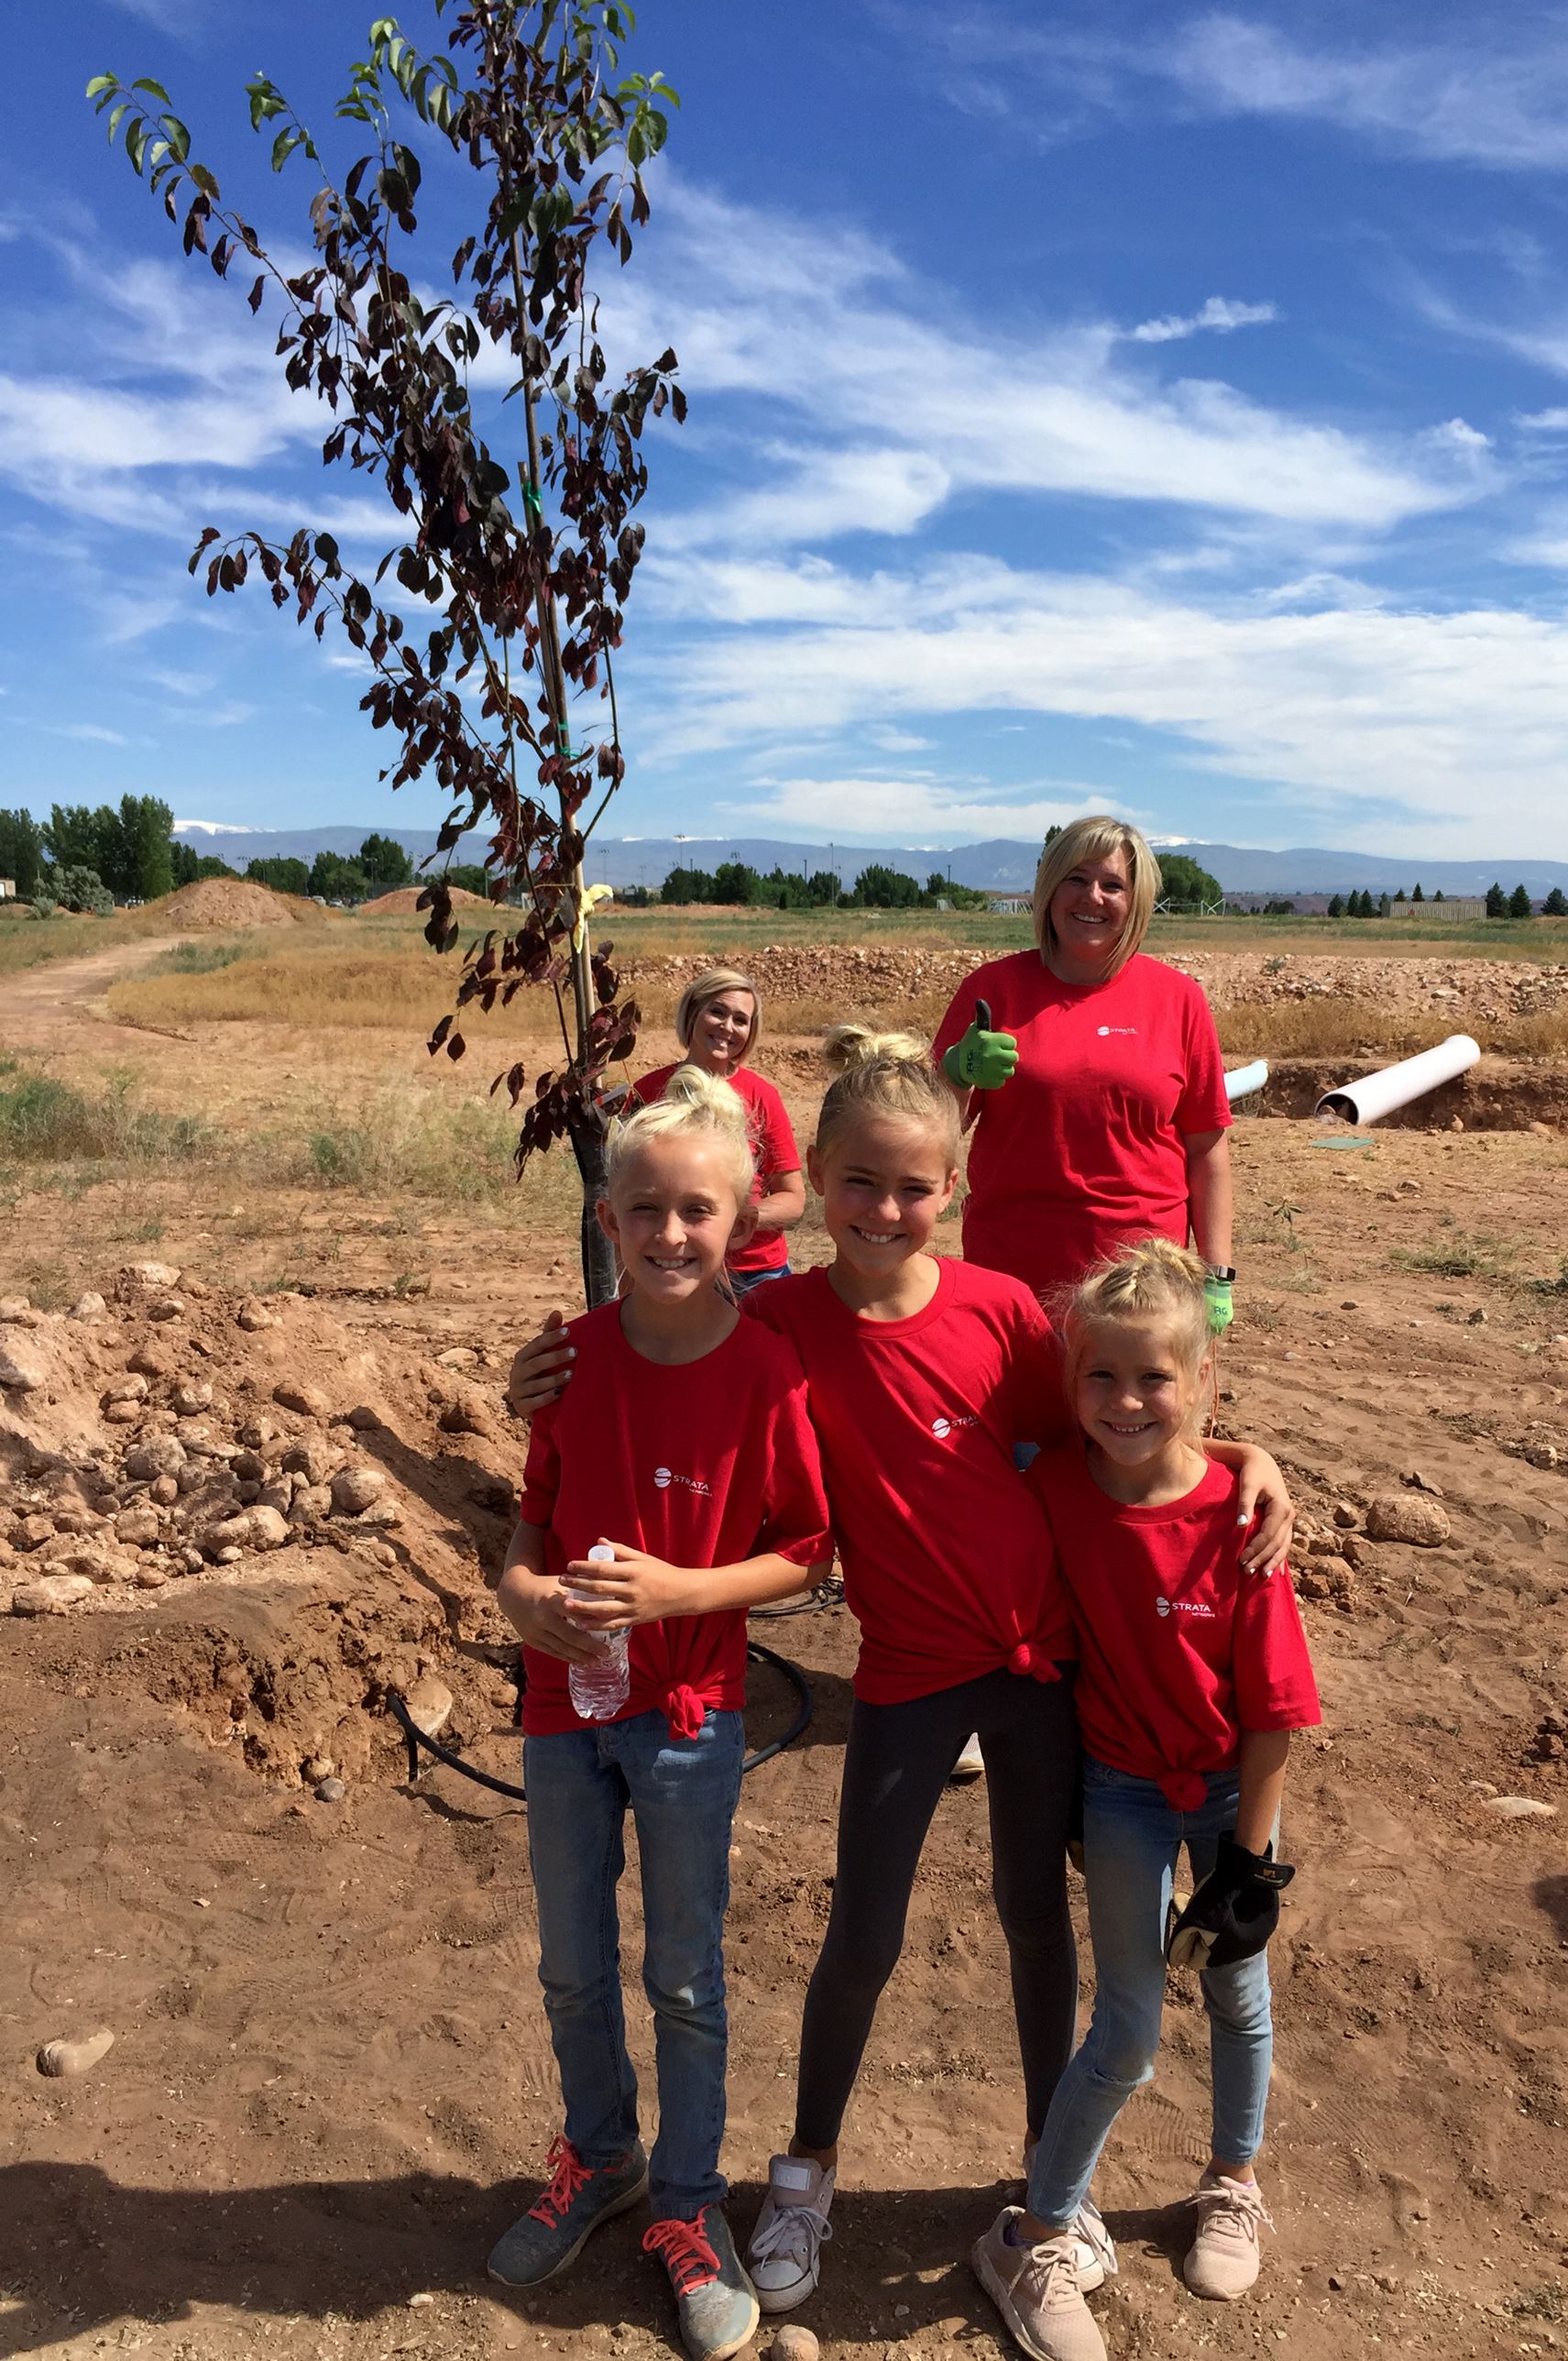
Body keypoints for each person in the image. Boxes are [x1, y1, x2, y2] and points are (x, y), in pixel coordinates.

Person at [506, 1032, 1296, 2320]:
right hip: (904, 1676)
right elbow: (666, 1338)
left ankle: (1056, 2186)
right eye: (858, 1183)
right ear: (812, 1180)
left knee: (1033, 1922)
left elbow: (1120, 1418)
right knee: (859, 1931)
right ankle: (807, 2168)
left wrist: (1246, 1452)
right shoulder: (777, 1323)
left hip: (1036, 1675)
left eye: (912, 1187)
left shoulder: (995, 1313)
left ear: (956, 1189)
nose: (883, 1210)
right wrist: (532, 1375)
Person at [487, 1066, 830, 2361]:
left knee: (683, 1974)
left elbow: (806, 1550)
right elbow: (533, 1515)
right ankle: (600, 2158)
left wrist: (686, 1589)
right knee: (570, 1960)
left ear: (743, 1219)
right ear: (607, 1218)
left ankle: (690, 2207)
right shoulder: (567, 1363)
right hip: (563, 1708)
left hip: (688, 1717)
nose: (670, 1234)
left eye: (698, 1210)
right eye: (644, 1209)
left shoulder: (765, 1374)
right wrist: (522, 1591)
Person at [971, 1241, 1321, 2361]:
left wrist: (1248, 1866)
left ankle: (1231, 2180)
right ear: (1072, 1387)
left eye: (1155, 1379)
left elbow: (1273, 1708)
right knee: (1124, 2025)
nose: (1126, 1401)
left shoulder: (1242, 1520)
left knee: (1238, 1993)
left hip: (1229, 1795)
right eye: (1101, 1378)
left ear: (1203, 1380)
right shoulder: (1056, 1485)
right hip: (1121, 1790)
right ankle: (1035, 2230)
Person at [933, 817, 1236, 1331]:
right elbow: (931, 1132)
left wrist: (1217, 1276)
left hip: (1141, 1279)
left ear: (1135, 901)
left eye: (1112, 884)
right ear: (1049, 890)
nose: (1091, 897)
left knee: (1133, 1410)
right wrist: (956, 1075)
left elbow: (1208, 1149)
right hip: (1013, 1270)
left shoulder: (1178, 1000)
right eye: (1075, 879)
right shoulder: (993, 990)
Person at [631, 967, 804, 1290]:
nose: (727, 1027)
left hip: (754, 1273)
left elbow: (793, 1198)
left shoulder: (762, 1095)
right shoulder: (648, 1091)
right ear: (693, 1012)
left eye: (740, 1020)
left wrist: (732, 1219)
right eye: (717, 1012)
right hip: (673, 1263)